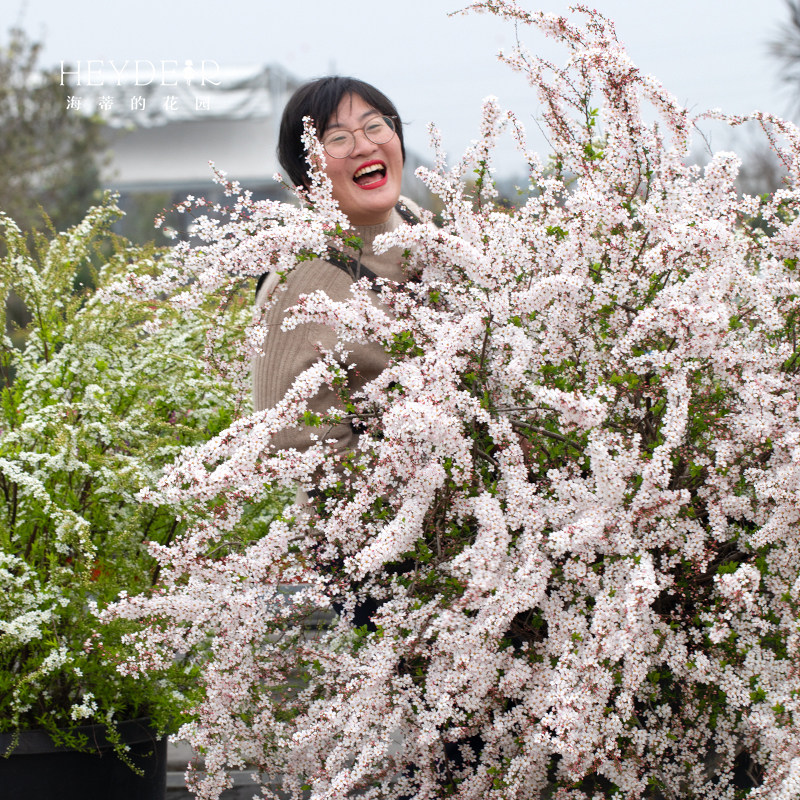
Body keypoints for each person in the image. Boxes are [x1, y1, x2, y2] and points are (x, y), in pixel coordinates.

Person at [252, 77, 421, 466]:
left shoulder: (415, 220)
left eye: (375, 125)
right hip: (382, 516)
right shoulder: (297, 285)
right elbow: (287, 443)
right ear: (306, 179)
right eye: (337, 139)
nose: (364, 145)